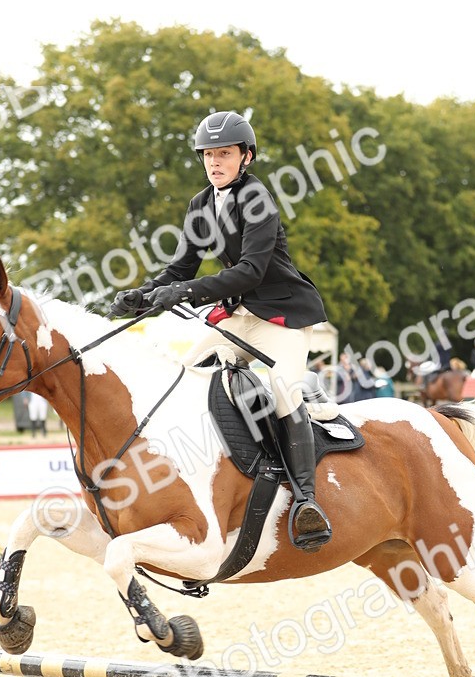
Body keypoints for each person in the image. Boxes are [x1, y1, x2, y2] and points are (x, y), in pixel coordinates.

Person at [109, 110, 331, 550]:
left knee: (285, 390)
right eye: (209, 155)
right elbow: (182, 267)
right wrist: (144, 294)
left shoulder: (258, 200)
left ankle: (307, 500)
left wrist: (184, 292)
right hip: (239, 317)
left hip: (281, 316)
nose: (215, 162)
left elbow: (250, 270)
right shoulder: (200, 203)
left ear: (245, 157)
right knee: (183, 374)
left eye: (224, 154)